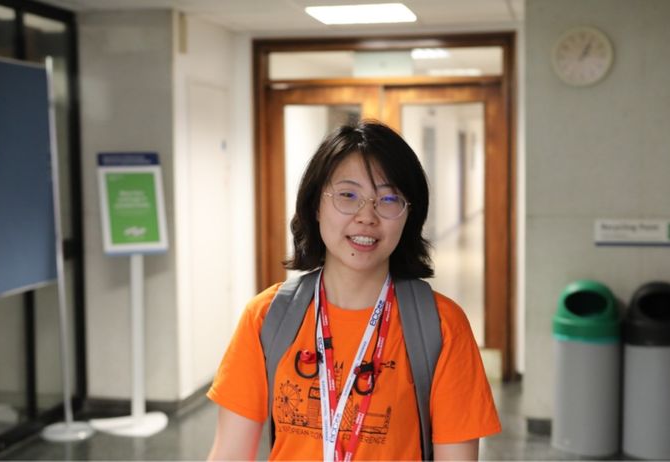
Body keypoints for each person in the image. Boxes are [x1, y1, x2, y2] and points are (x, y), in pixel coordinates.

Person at [207, 120, 501, 461]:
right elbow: (229, 454)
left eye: (388, 199)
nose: (366, 216)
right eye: (348, 195)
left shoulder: (441, 326)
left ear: (409, 215)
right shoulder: (266, 318)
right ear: (316, 205)